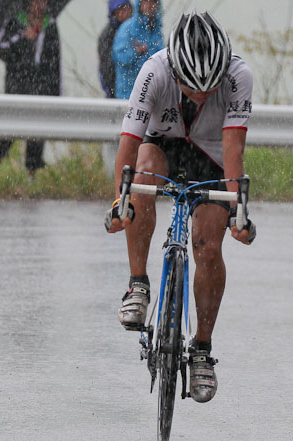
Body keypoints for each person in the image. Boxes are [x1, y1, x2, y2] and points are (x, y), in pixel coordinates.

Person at [105, 11, 256, 404]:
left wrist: (238, 212)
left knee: (208, 246)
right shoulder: (154, 71)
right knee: (143, 172)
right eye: (192, 88)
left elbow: (233, 149)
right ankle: (138, 284)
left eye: (210, 89)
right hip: (162, 147)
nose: (202, 96)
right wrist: (121, 202)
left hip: (211, 156)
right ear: (176, 70)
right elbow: (129, 142)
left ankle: (202, 350)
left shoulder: (240, 76)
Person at [0, 0, 61, 172]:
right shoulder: (14, 22)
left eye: (44, 1)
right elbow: (1, 48)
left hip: (41, 91)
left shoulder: (50, 25)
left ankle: (32, 176)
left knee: (36, 137)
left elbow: (55, 61)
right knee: (5, 134)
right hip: (17, 88)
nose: (40, 4)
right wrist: (22, 37)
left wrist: (55, 92)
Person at [112, 0, 163, 100]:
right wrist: (136, 52)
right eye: (146, 1)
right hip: (128, 95)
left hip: (152, 95)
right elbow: (120, 58)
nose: (150, 5)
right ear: (139, 4)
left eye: (153, 2)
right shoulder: (127, 28)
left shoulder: (157, 30)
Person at [98, 0, 133, 98]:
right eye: (119, 10)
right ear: (113, 13)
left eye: (125, 8)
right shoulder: (107, 36)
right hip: (117, 93)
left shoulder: (138, 30)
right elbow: (107, 68)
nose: (123, 13)